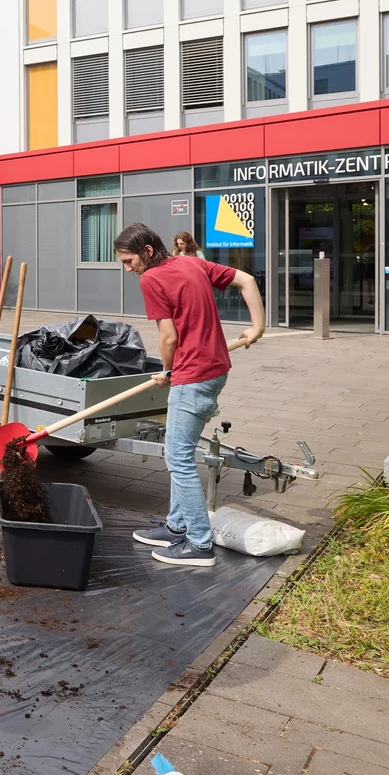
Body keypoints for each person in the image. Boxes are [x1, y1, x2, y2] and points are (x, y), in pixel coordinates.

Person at [115, 223, 265, 568]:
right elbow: (248, 280)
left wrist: (168, 371)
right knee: (179, 450)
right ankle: (176, 525)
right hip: (215, 369)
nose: (127, 268)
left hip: (193, 375)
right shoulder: (191, 263)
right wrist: (258, 327)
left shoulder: (150, 279)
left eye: (129, 260)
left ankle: (198, 544)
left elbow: (167, 338)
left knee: (178, 457)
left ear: (148, 252)